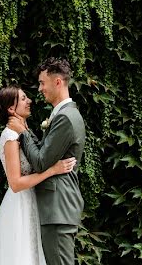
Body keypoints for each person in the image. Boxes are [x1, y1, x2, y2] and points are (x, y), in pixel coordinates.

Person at [0, 85, 77, 265]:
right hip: (19, 205)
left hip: (34, 201)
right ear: (11, 108)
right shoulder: (10, 136)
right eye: (24, 98)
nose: (30, 101)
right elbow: (16, 183)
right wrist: (52, 170)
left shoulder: (24, 133)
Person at [9, 57, 86, 265]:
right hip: (56, 209)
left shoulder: (65, 118)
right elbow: (45, 152)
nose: (40, 88)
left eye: (43, 82)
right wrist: (25, 131)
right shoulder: (61, 114)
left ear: (58, 82)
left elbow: (41, 161)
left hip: (58, 208)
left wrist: (23, 134)